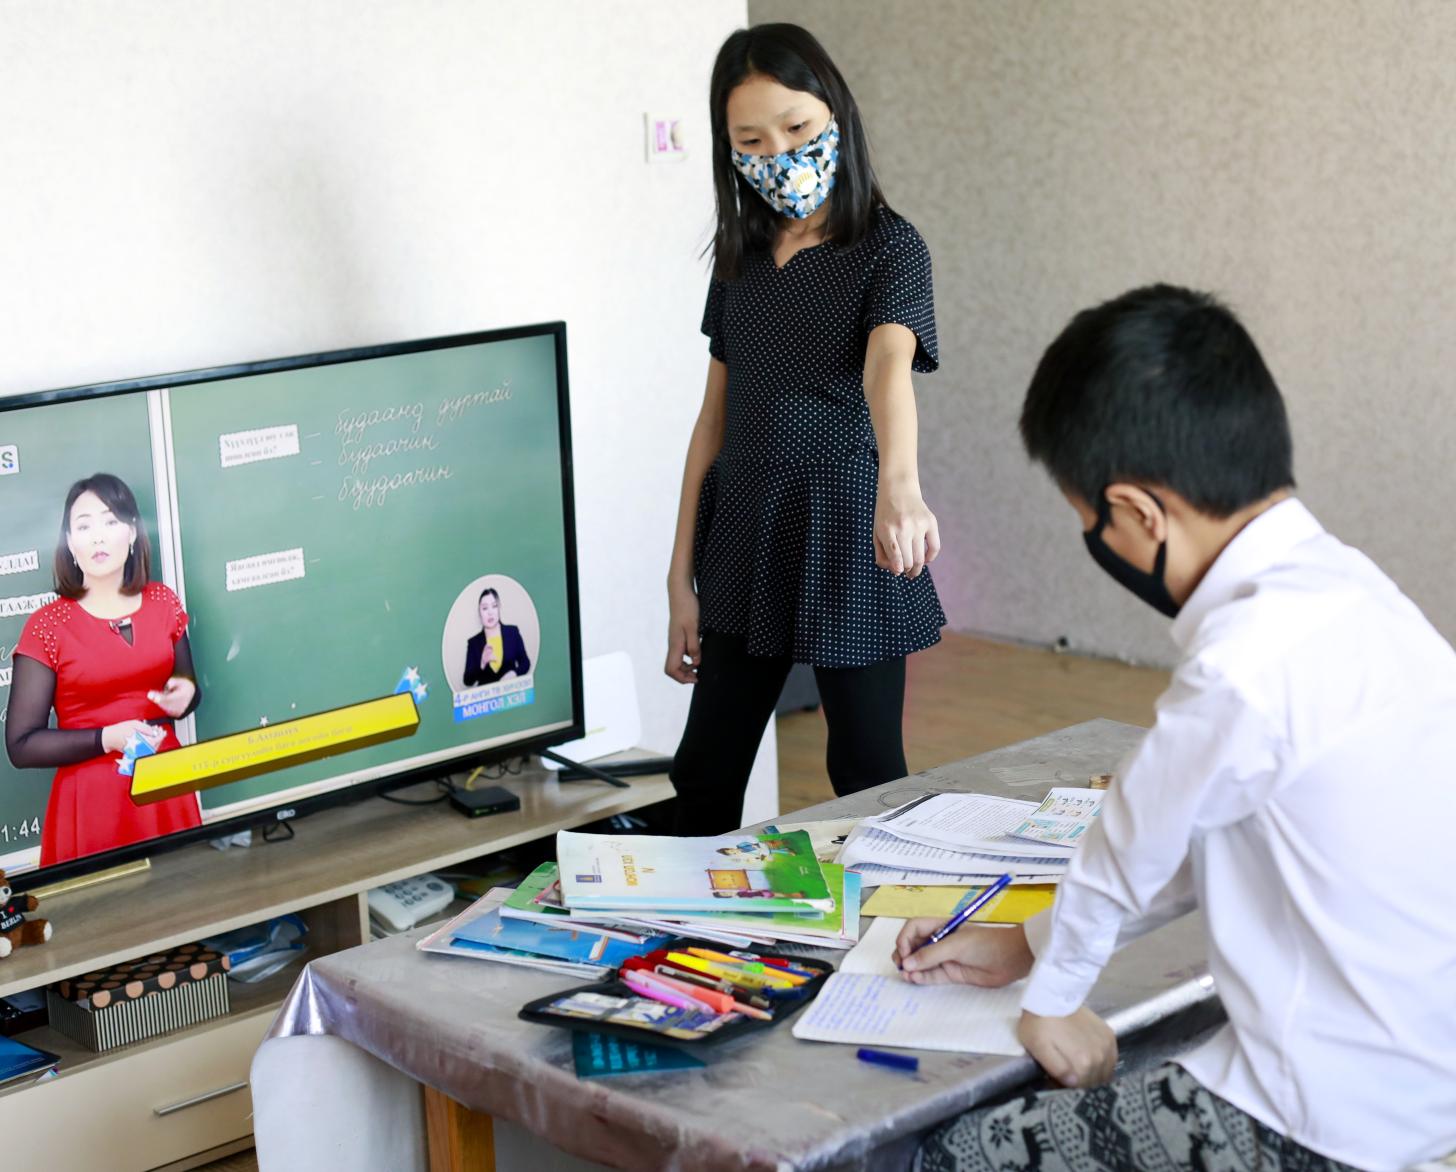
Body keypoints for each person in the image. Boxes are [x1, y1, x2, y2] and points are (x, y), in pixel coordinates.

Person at [894, 285, 1456, 1172]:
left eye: (1092, 524)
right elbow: (1202, 842)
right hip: (1427, 1089)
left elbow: (1128, 848)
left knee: (947, 1155)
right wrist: (1024, 945)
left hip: (1330, 1122)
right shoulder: (1357, 596)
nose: (1098, 542)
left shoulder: (1242, 663)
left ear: (1140, 514)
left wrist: (1054, 1000)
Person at [666, 23, 946, 835]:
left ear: (838, 119)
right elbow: (711, 421)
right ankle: (686, 952)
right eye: (751, 139)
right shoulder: (740, 258)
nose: (778, 153)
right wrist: (678, 576)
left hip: (848, 523)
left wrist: (902, 490)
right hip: (745, 525)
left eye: (798, 129)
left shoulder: (890, 248)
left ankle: (885, 946)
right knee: (706, 774)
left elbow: (887, 368)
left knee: (864, 776)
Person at [5, 473, 204, 867]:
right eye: (83, 526)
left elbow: (188, 689)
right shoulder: (48, 625)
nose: (98, 536)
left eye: (110, 521)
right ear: (70, 545)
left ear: (132, 534)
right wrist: (106, 738)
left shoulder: (162, 601)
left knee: (184, 905)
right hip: (90, 805)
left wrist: (186, 695)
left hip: (165, 786)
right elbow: (21, 744)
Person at [462, 587, 530, 687]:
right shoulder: (473, 643)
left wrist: (514, 673)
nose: (490, 612)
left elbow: (525, 663)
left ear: (499, 609)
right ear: (479, 613)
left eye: (494, 606)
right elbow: (467, 680)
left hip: (510, 694)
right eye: (485, 608)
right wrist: (482, 663)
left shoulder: (512, 632)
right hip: (487, 700)